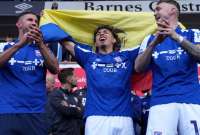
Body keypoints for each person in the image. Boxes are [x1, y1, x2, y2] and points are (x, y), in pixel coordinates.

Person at [56, 25, 139, 135]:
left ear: (114, 40)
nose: (101, 34)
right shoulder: (88, 57)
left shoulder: (127, 56)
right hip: (95, 117)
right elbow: (65, 42)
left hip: (124, 117)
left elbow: (150, 44)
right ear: (95, 42)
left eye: (105, 32)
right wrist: (49, 19)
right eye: (98, 34)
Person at [134, 0, 200, 134]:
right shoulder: (149, 39)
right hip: (161, 101)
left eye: (158, 9)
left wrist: (176, 37)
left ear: (173, 10)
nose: (155, 13)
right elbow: (138, 68)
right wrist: (153, 44)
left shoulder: (193, 33)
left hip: (191, 100)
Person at [0, 11, 59, 135]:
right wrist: (19, 45)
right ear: (19, 24)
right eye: (30, 20)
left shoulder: (43, 48)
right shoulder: (5, 47)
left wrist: (41, 44)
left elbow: (55, 69)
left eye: (36, 21)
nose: (34, 23)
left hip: (36, 111)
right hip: (7, 111)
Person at [47, 68, 82, 135]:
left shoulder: (76, 95)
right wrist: (76, 109)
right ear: (68, 79)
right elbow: (66, 111)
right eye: (74, 76)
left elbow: (81, 113)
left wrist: (69, 108)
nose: (77, 79)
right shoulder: (55, 95)